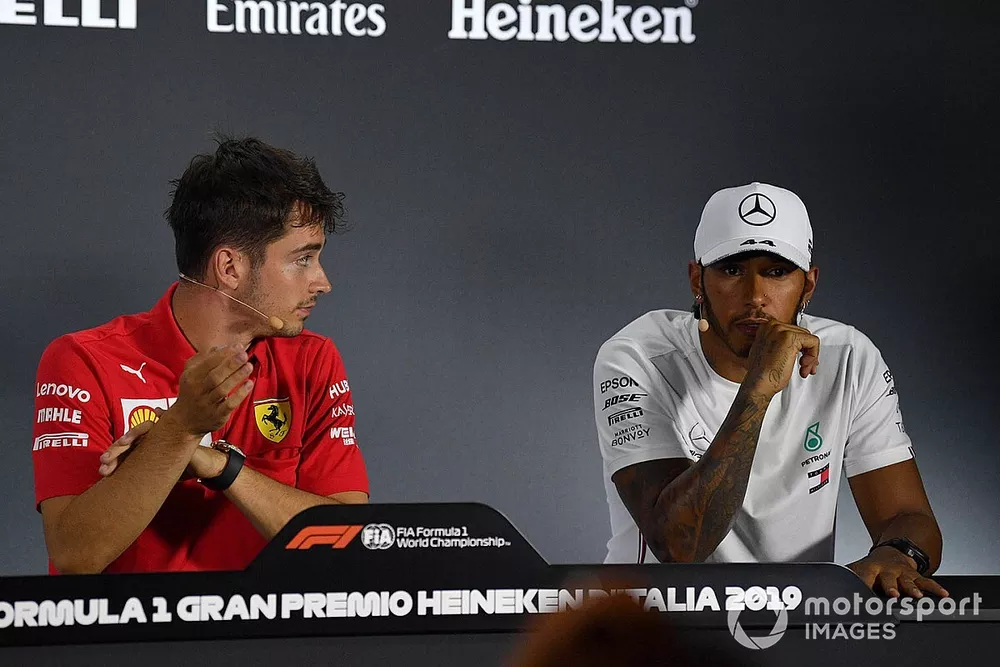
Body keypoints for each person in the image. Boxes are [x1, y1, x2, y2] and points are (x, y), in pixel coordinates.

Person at [31, 136, 369, 574]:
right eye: (303, 259)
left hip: (266, 640)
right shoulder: (82, 360)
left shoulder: (312, 361)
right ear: (229, 268)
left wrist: (219, 466)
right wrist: (181, 430)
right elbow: (76, 556)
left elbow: (348, 544)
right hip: (132, 640)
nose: (322, 282)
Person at [593, 182, 946, 598]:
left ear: (808, 286)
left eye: (776, 272)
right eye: (731, 270)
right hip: (656, 625)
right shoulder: (636, 358)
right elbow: (679, 547)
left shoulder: (850, 357)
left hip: (792, 624)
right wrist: (758, 389)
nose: (755, 297)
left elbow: (907, 514)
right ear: (697, 281)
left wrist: (896, 554)